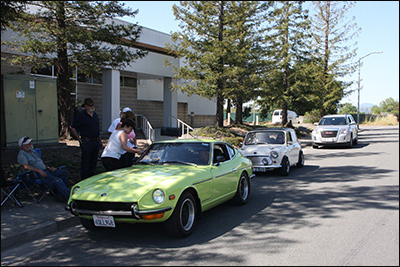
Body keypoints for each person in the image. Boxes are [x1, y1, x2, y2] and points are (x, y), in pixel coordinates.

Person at [17, 136, 71, 202]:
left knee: (63, 172)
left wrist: (49, 167)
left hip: (44, 170)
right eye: (28, 144)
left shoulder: (34, 152)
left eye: (30, 143)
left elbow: (40, 163)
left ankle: (60, 195)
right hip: (34, 173)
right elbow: (25, 166)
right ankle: (69, 197)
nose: (31, 144)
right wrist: (38, 170)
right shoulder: (22, 154)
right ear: (22, 146)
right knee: (57, 180)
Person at [70, 98, 101, 180]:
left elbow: (97, 128)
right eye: (90, 106)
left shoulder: (95, 115)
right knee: (86, 162)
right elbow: (72, 127)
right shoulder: (81, 116)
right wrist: (78, 138)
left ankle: (91, 178)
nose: (92, 107)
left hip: (95, 140)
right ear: (86, 106)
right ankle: (84, 179)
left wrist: (99, 140)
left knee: (93, 162)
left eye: (93, 105)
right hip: (87, 141)